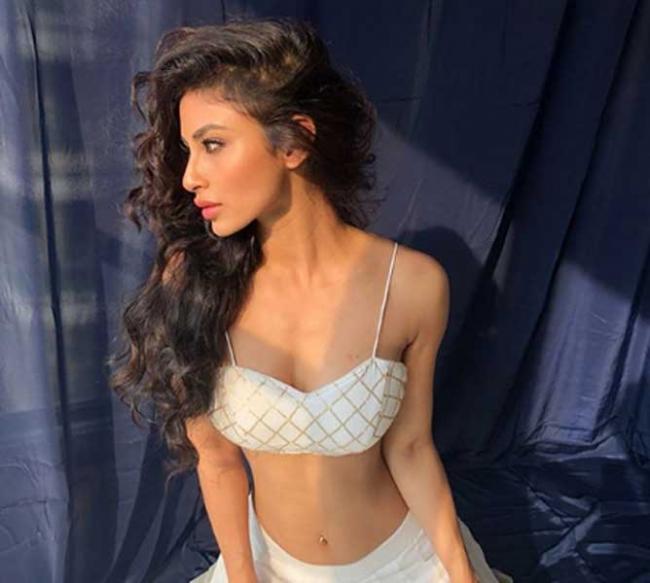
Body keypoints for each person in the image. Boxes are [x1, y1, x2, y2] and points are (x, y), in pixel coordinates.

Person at [109, 16, 512, 583]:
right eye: (187, 150)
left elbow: (411, 448)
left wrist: (460, 572)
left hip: (406, 564)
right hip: (267, 567)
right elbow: (218, 462)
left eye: (213, 145)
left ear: (295, 141)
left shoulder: (413, 286)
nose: (191, 176)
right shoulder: (194, 284)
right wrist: (244, 578)